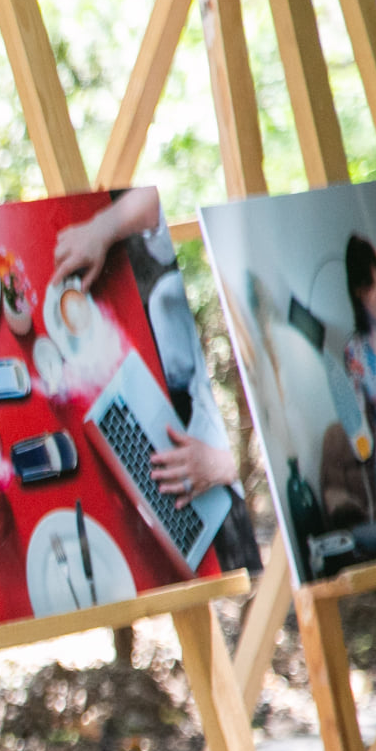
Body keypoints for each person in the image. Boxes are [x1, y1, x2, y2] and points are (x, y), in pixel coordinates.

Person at [51, 187, 260, 571]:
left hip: (210, 469)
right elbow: (151, 199)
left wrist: (222, 465)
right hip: (174, 387)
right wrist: (100, 229)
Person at [340, 235, 376, 521]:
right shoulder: (354, 352)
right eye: (372, 286)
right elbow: (358, 421)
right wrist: (363, 447)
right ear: (358, 292)